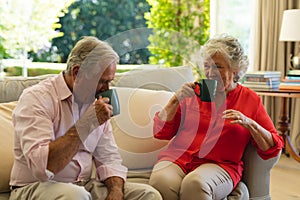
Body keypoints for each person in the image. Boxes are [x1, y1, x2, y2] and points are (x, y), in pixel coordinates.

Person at [9, 36, 162, 200]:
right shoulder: (36, 98)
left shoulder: (93, 101)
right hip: (35, 188)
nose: (107, 89)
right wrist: (87, 123)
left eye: (110, 81)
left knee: (148, 195)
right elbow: (43, 167)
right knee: (75, 195)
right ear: (77, 73)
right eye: (102, 82)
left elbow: (109, 159)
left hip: (82, 186)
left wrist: (115, 192)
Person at [149, 34, 284, 200]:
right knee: (160, 181)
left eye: (218, 67)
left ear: (236, 70)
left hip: (220, 165)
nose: (210, 73)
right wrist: (175, 100)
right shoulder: (194, 92)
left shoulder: (250, 100)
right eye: (207, 66)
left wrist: (249, 123)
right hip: (178, 158)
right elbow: (161, 132)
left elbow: (273, 147)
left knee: (195, 184)